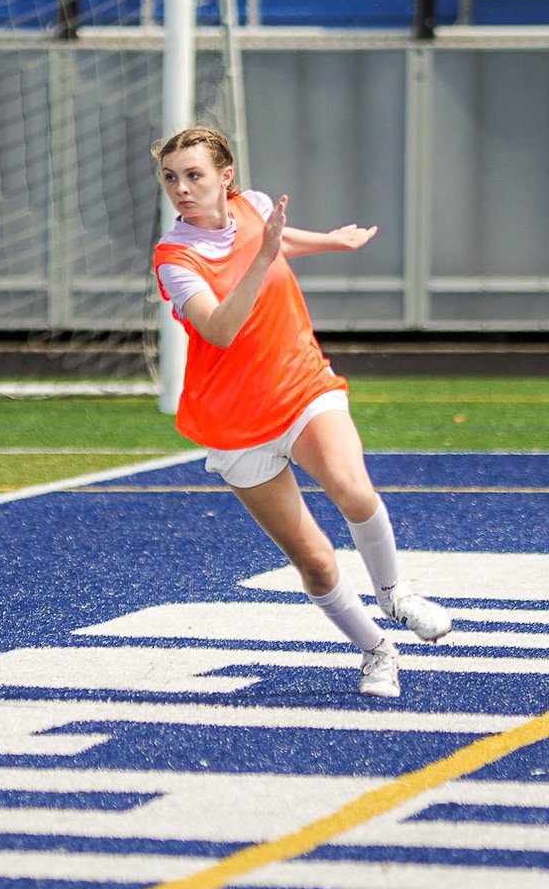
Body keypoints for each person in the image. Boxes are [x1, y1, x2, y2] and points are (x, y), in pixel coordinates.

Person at [151, 125, 450, 698]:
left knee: (352, 488)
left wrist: (328, 242)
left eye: (194, 175)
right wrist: (263, 257)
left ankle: (395, 596)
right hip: (234, 421)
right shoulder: (175, 257)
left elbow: (275, 240)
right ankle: (376, 652)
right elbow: (219, 328)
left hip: (300, 383)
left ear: (225, 176)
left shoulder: (256, 207)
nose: (182, 188)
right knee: (314, 562)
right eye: (171, 178)